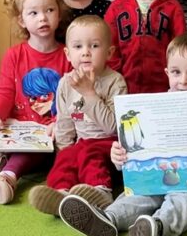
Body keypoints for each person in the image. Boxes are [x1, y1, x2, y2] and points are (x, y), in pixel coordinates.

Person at [58, 32, 187, 236]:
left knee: (183, 201)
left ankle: (157, 226)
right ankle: (108, 219)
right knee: (137, 195)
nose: (183, 80)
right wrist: (121, 156)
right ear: (167, 73)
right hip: (157, 175)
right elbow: (139, 145)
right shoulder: (158, 106)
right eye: (176, 72)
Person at [0, 0, 70, 205]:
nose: (42, 18)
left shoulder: (68, 55)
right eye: (33, 13)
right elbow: (5, 91)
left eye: (49, 10)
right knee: (31, 149)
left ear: (59, 13)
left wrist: (59, 121)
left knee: (66, 149)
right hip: (24, 128)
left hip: (56, 128)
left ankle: (60, 188)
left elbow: (71, 98)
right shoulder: (14, 55)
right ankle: (7, 178)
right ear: (21, 19)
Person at [28, 15, 128, 216]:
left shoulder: (115, 82)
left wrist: (89, 93)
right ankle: (60, 195)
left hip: (112, 147)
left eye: (94, 46)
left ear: (109, 53)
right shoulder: (65, 83)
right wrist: (65, 152)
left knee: (87, 150)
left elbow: (113, 127)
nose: (85, 53)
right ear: (67, 53)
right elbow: (64, 123)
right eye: (78, 47)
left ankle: (101, 191)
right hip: (83, 143)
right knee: (68, 156)